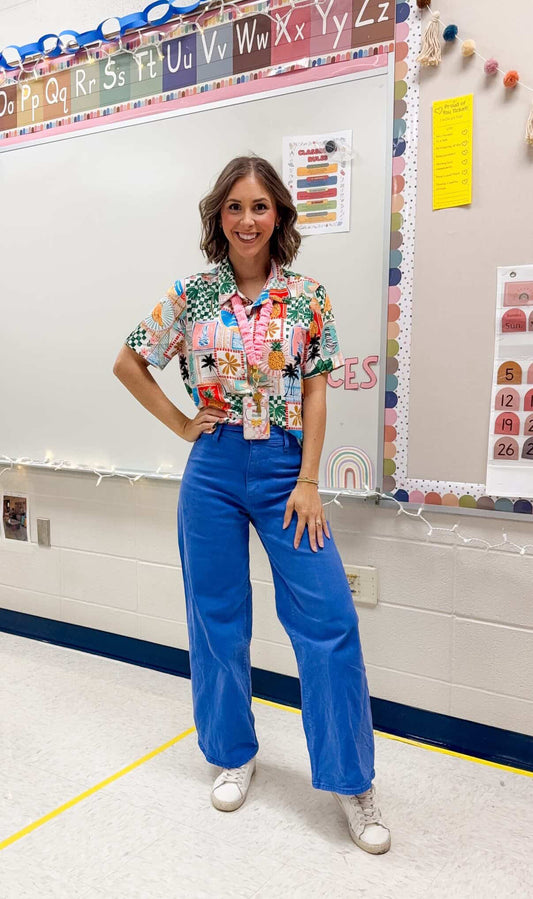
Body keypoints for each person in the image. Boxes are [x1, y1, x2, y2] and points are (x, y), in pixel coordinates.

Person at [113, 155, 391, 855]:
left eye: (259, 206)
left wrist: (308, 479)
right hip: (212, 468)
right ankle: (233, 752)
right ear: (218, 217)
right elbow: (128, 361)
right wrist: (182, 426)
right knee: (217, 618)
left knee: (327, 619)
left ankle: (351, 780)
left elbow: (317, 391)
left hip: (283, 472)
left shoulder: (307, 298)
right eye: (233, 206)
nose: (246, 219)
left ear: (279, 217)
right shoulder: (192, 295)